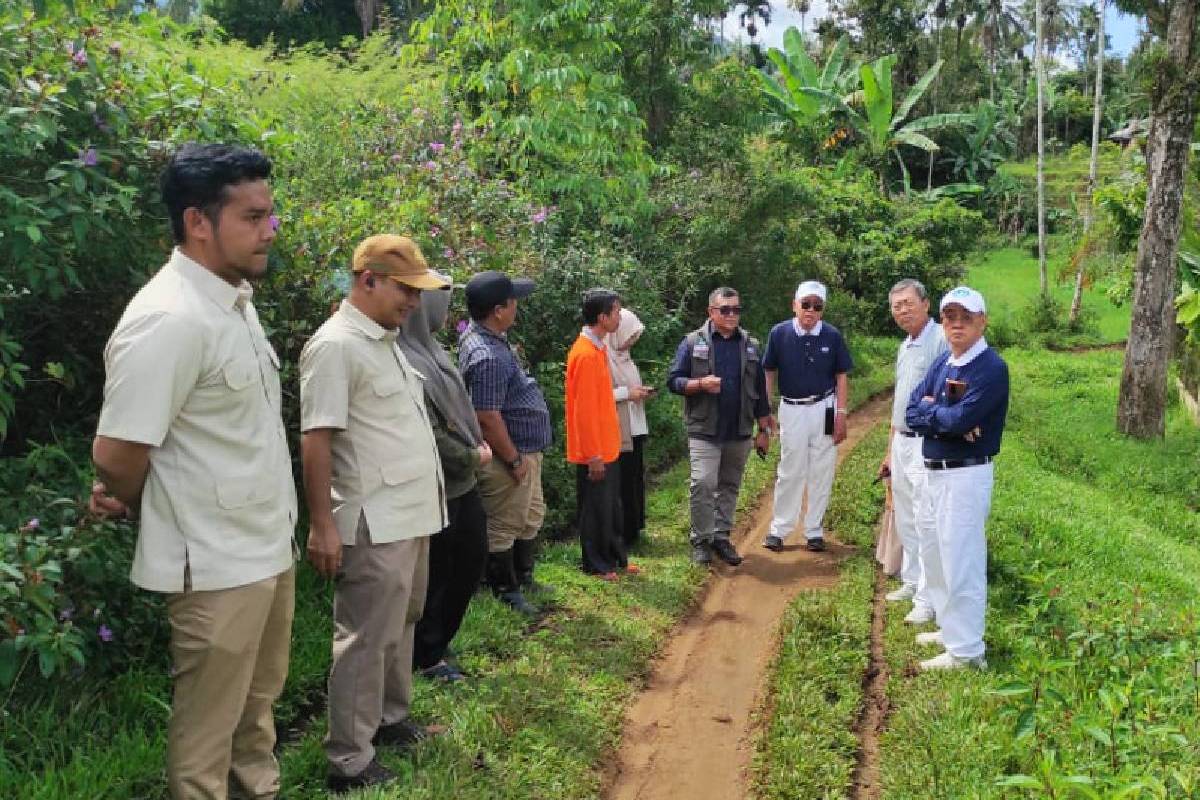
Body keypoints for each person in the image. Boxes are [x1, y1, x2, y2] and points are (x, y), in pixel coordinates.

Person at [89, 143, 296, 800]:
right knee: (208, 738)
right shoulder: (168, 318)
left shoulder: (234, 300)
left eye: (269, 213)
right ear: (196, 221)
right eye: (253, 216)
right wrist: (129, 497)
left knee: (255, 718)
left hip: (266, 549)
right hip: (212, 566)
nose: (270, 229)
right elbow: (118, 455)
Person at [299, 234, 450, 792]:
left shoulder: (382, 340)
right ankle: (349, 759)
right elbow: (317, 440)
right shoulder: (336, 345)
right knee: (364, 640)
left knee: (401, 624)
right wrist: (322, 524)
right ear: (368, 280)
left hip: (411, 514)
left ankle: (390, 719)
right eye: (405, 290)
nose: (413, 302)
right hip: (373, 520)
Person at [905, 286, 1009, 671]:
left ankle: (967, 652)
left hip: (965, 476)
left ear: (982, 321)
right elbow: (912, 408)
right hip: (934, 472)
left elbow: (962, 419)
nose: (957, 325)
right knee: (935, 555)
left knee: (961, 560)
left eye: (966, 317)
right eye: (950, 317)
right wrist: (942, 421)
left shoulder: (991, 368)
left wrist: (940, 418)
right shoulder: (944, 362)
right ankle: (951, 630)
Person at [397, 278, 492, 683]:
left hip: (463, 481)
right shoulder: (404, 356)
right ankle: (426, 653)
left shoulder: (433, 351)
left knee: (468, 560)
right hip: (438, 483)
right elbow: (428, 429)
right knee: (439, 572)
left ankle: (435, 642)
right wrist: (470, 455)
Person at [458, 271, 554, 616]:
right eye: (513, 302)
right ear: (499, 309)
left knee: (530, 515)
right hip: (508, 454)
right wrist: (513, 459)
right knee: (505, 523)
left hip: (523, 449)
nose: (517, 307)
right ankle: (505, 590)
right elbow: (487, 415)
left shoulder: (489, 338)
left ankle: (523, 576)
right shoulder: (489, 356)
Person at [668, 287, 773, 567]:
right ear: (711, 312)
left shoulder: (750, 344)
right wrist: (699, 385)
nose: (731, 315)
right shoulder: (692, 342)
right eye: (725, 309)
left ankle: (721, 536)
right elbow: (674, 381)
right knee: (702, 483)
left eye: (736, 309)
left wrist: (764, 430)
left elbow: (760, 390)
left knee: (729, 485)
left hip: (739, 429)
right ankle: (701, 540)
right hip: (704, 429)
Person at [762, 280, 853, 553]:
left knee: (821, 470)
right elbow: (768, 371)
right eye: (806, 304)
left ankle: (814, 530)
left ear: (822, 309)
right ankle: (780, 529)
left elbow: (841, 375)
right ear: (795, 305)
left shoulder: (832, 336)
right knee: (790, 469)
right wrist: (766, 409)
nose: (810, 310)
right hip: (791, 408)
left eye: (817, 305)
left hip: (824, 406)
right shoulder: (779, 334)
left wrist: (841, 413)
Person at [878, 279, 948, 627]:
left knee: (925, 516)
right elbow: (899, 401)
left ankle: (928, 596)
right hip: (902, 440)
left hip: (926, 440)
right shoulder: (905, 346)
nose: (902, 310)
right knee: (905, 512)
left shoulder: (940, 340)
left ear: (925, 304)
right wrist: (890, 449)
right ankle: (911, 580)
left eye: (907, 303)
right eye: (896, 306)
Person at [567, 289, 639, 578]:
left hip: (608, 444)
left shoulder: (598, 348)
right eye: (617, 312)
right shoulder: (584, 354)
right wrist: (593, 455)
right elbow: (583, 412)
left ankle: (615, 558)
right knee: (595, 510)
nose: (620, 317)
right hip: (594, 450)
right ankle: (596, 564)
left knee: (611, 507)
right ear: (602, 317)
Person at [606, 307, 653, 547]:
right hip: (618, 427)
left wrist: (639, 393)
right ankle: (623, 531)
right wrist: (628, 393)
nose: (631, 340)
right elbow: (600, 393)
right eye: (629, 335)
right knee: (623, 480)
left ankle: (635, 527)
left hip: (634, 423)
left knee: (634, 477)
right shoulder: (603, 356)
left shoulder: (624, 357)